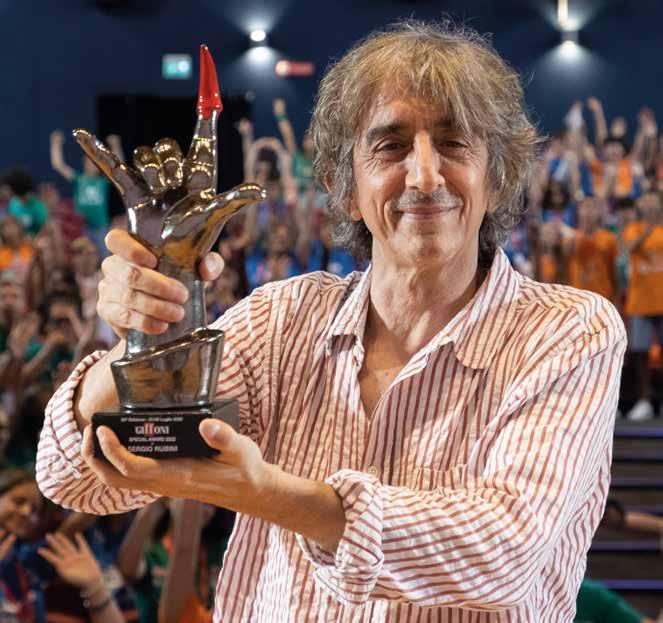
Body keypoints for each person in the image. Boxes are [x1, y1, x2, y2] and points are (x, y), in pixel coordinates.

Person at [37, 21, 626, 621]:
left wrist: (272, 495)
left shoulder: (568, 332)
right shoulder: (280, 322)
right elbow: (74, 480)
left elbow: (504, 552)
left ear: (497, 179)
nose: (425, 176)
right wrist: (146, 334)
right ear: (344, 188)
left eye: (454, 143)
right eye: (391, 147)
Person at [622, 189, 663, 421]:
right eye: (645, 199)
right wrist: (648, 228)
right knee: (640, 353)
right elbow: (629, 248)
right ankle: (644, 400)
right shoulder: (634, 228)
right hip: (640, 299)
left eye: (652, 199)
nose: (648, 203)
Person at [50, 130, 124, 254]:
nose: (91, 165)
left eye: (94, 162)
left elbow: (118, 169)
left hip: (100, 227)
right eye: (89, 161)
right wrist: (55, 144)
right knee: (79, 255)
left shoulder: (102, 181)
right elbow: (58, 165)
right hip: (82, 227)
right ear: (84, 163)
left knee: (104, 256)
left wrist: (116, 146)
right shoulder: (79, 179)